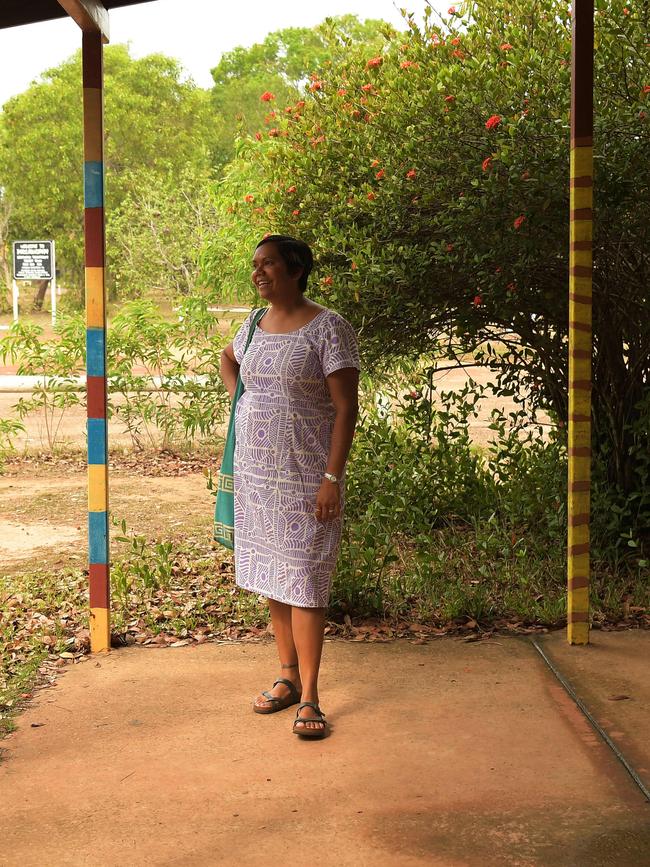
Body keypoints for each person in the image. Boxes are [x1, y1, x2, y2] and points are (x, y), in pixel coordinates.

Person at [219, 235, 360, 738]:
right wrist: (244, 401)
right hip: (257, 475)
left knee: (304, 577)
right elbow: (228, 359)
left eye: (269, 264)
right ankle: (287, 677)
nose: (258, 272)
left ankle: (314, 697)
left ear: (296, 269)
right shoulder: (252, 326)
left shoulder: (328, 329)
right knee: (273, 575)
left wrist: (331, 478)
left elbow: (346, 409)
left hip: (306, 478)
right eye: (254, 264)